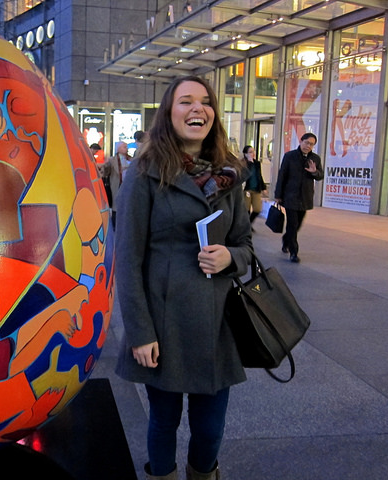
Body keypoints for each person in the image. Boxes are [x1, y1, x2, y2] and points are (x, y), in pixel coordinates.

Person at [115, 75, 253, 480]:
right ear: (168, 113)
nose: (198, 109)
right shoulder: (145, 174)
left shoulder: (230, 176)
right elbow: (127, 258)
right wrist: (140, 332)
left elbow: (246, 244)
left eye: (205, 101)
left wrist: (230, 256)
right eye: (186, 101)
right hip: (164, 322)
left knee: (210, 429)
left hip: (217, 324)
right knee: (164, 423)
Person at [274, 132, 324, 263]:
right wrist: (278, 195)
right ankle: (294, 252)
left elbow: (320, 176)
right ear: (301, 141)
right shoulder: (289, 156)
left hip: (305, 197)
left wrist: (315, 172)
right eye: (306, 142)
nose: (308, 146)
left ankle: (286, 240)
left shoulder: (315, 159)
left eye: (311, 144)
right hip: (290, 196)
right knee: (292, 223)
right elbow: (282, 175)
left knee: (298, 225)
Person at [99, 141, 129, 229]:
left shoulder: (131, 159)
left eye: (126, 146)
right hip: (117, 185)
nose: (126, 148)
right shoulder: (112, 160)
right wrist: (106, 165)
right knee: (116, 206)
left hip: (127, 186)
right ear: (118, 149)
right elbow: (106, 172)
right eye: (124, 147)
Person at [242, 145, 267, 227]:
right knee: (246, 209)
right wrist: (248, 163)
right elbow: (243, 175)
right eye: (250, 152)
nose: (253, 154)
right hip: (247, 189)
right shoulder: (243, 163)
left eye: (253, 151)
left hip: (256, 188)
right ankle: (246, 226)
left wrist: (263, 187)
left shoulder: (257, 163)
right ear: (245, 154)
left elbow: (259, 175)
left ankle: (249, 223)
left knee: (257, 209)